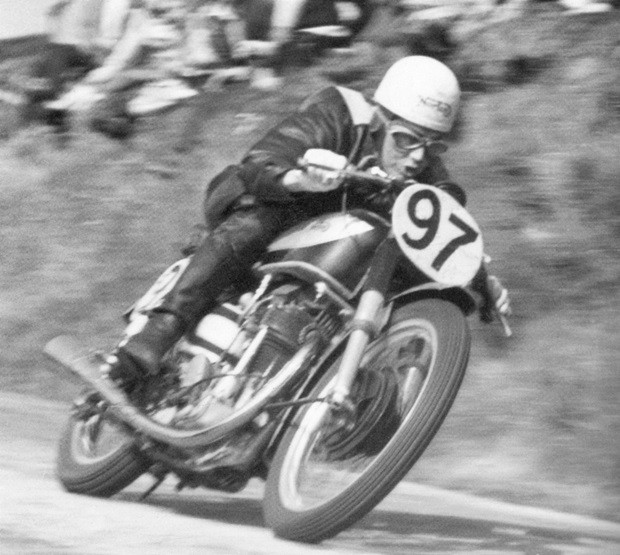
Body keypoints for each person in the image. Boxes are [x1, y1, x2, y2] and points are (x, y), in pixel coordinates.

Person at [114, 55, 512, 386]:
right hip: (272, 206)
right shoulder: (340, 114)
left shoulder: (425, 174)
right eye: (406, 139)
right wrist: (300, 178)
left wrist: (479, 276)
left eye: (431, 146)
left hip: (325, 259)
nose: (417, 158)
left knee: (400, 275)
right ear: (380, 119)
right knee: (260, 213)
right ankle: (161, 328)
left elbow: (446, 230)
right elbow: (262, 160)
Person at [18, 0, 145, 129]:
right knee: (57, 52)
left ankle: (50, 105)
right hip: (92, 51)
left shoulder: (132, 9)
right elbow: (83, 30)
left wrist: (106, 57)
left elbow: (128, 43)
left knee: (60, 56)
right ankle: (44, 96)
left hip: (109, 57)